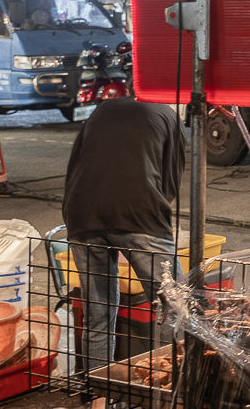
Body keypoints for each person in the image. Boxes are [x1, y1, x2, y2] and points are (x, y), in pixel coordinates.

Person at [63, 97, 185, 372]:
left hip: (82, 213)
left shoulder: (102, 109)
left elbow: (76, 164)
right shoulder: (169, 115)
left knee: (99, 312)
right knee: (173, 307)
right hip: (139, 214)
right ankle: (169, 391)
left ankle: (98, 395)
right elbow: (169, 189)